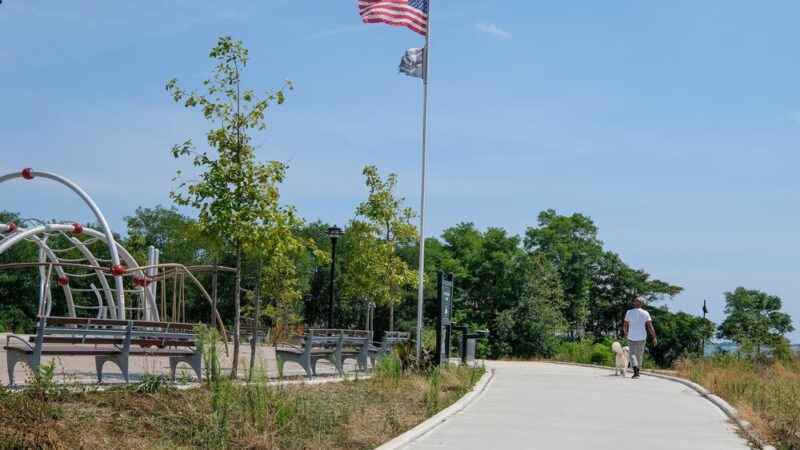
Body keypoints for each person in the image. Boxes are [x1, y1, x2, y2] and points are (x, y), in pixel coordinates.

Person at [623, 296, 657, 379]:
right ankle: (638, 370)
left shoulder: (629, 312)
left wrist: (625, 332)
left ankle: (636, 372)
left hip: (632, 336)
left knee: (633, 355)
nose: (634, 302)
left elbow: (625, 325)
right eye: (634, 301)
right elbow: (650, 326)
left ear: (639, 303)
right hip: (642, 337)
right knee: (639, 355)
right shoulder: (645, 313)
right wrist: (654, 337)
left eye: (635, 301)